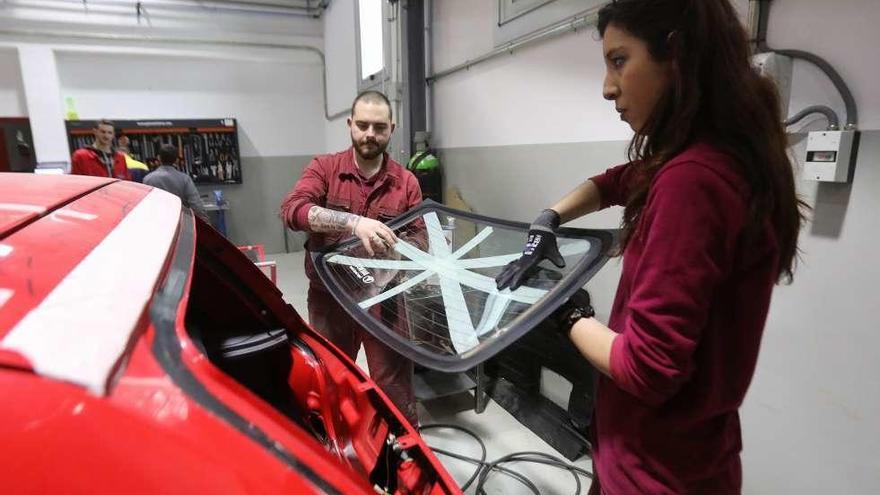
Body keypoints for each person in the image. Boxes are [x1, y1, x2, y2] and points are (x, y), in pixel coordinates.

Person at [496, 1, 807, 493]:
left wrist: (561, 310)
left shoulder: (693, 182)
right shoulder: (725, 156)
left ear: (676, 53)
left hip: (654, 472)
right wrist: (550, 217)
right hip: (686, 455)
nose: (606, 87)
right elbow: (620, 180)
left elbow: (647, 367)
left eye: (619, 60)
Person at [280, 90, 422, 426]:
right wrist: (353, 222)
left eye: (379, 127)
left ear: (392, 128)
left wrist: (401, 253)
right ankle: (336, 447)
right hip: (331, 299)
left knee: (394, 389)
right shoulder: (325, 169)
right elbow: (293, 211)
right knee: (331, 379)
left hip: (385, 303)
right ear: (349, 125)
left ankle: (400, 454)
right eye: (362, 125)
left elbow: (421, 237)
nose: (370, 134)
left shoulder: (406, 182)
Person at [143, 144, 208, 221]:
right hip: (180, 222)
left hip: (157, 222)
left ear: (159, 158)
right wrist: (205, 222)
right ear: (176, 160)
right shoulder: (184, 179)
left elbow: (145, 205)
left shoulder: (148, 179)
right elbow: (196, 204)